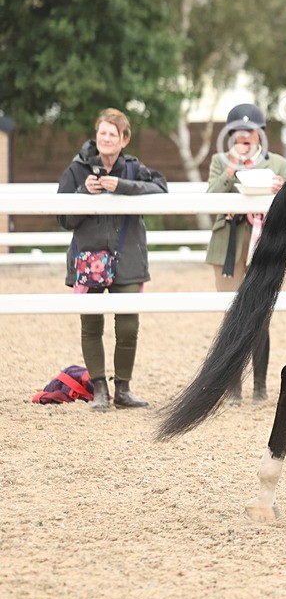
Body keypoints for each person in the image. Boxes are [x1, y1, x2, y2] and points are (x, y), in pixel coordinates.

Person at [57, 108, 168, 410]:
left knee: (129, 326)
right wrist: (83, 193)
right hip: (87, 260)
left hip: (128, 259)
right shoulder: (76, 169)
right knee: (91, 326)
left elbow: (161, 188)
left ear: (124, 139)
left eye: (112, 134)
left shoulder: (133, 168)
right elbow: (63, 218)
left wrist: (122, 187)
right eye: (102, 133)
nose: (106, 138)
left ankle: (123, 389)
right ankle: (99, 389)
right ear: (96, 136)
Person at [205, 103, 286, 402]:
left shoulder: (277, 163)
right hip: (228, 243)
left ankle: (260, 384)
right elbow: (211, 197)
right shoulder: (219, 161)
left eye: (250, 130)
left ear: (259, 134)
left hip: (263, 244)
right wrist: (230, 169)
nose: (244, 136)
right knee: (232, 314)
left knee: (260, 314)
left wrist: (282, 191)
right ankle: (232, 385)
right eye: (238, 131)